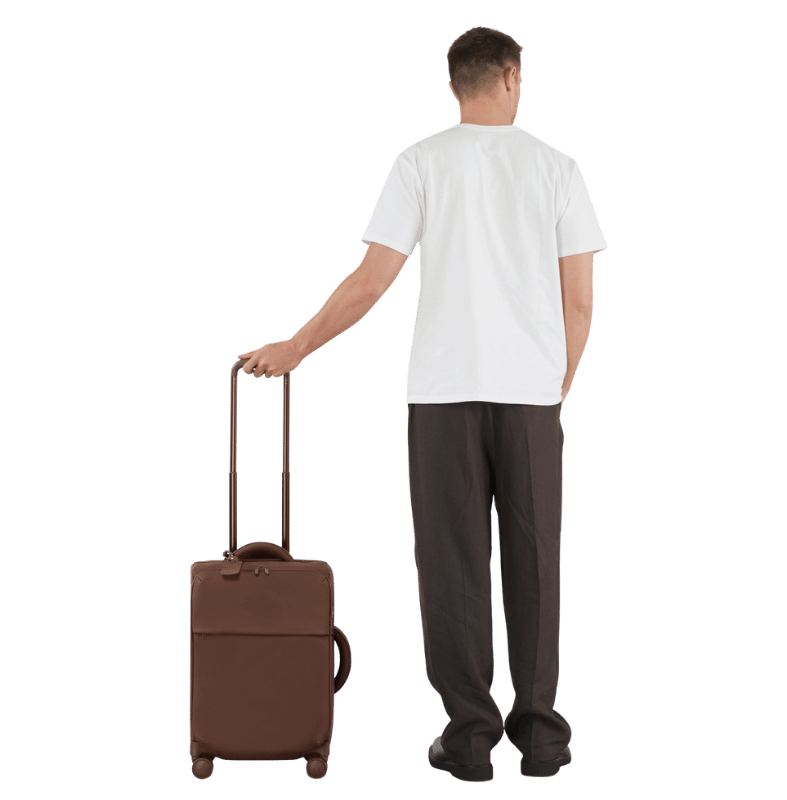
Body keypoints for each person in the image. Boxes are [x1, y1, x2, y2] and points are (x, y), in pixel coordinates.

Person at [237, 25, 608, 784]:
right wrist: (557, 380)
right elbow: (580, 300)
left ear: (452, 85)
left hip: (442, 394)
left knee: (452, 566)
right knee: (536, 562)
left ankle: (469, 739)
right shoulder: (558, 168)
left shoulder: (420, 162)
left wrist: (296, 347)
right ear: (512, 77)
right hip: (530, 397)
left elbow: (372, 280)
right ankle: (542, 737)